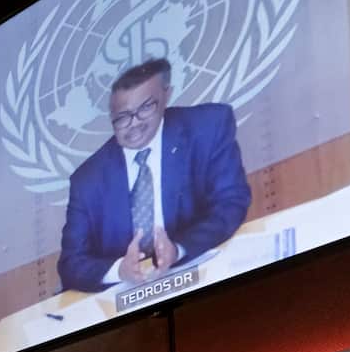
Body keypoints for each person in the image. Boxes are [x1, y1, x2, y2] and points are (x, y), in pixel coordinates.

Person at [57, 58, 252, 293]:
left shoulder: (208, 126)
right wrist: (119, 269)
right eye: (122, 118)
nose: (134, 124)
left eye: (146, 107)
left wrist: (178, 248)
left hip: (204, 282)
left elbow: (231, 201)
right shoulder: (87, 180)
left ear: (166, 96)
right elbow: (70, 263)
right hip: (125, 303)